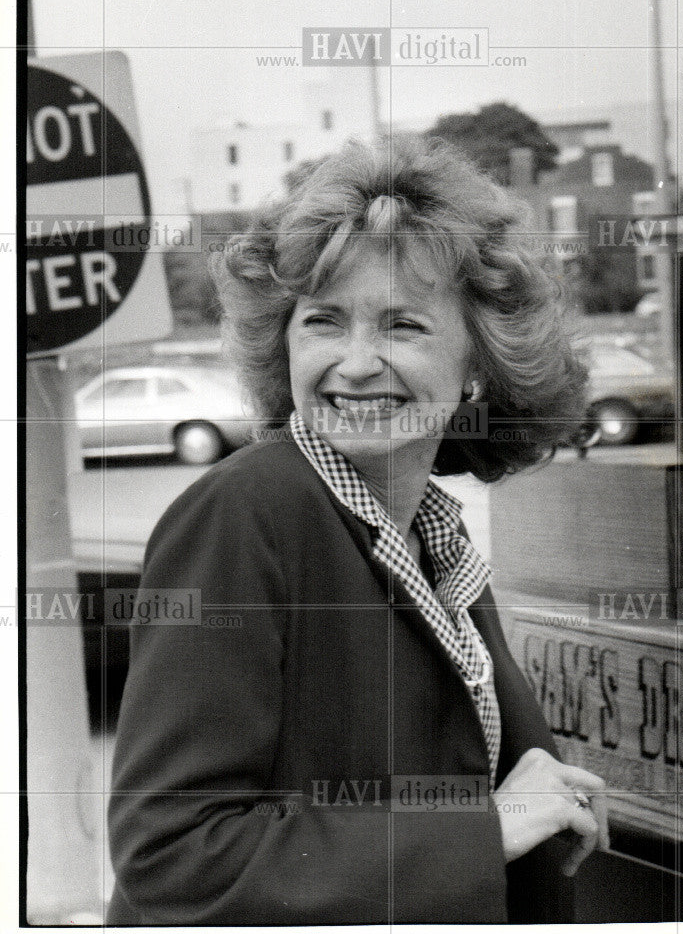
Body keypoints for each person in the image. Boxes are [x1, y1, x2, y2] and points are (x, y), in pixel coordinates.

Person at [107, 135, 609, 925]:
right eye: (324, 322)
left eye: (403, 325)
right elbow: (171, 854)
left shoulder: (430, 534)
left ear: (479, 362)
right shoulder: (246, 513)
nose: (356, 361)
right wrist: (486, 829)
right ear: (284, 341)